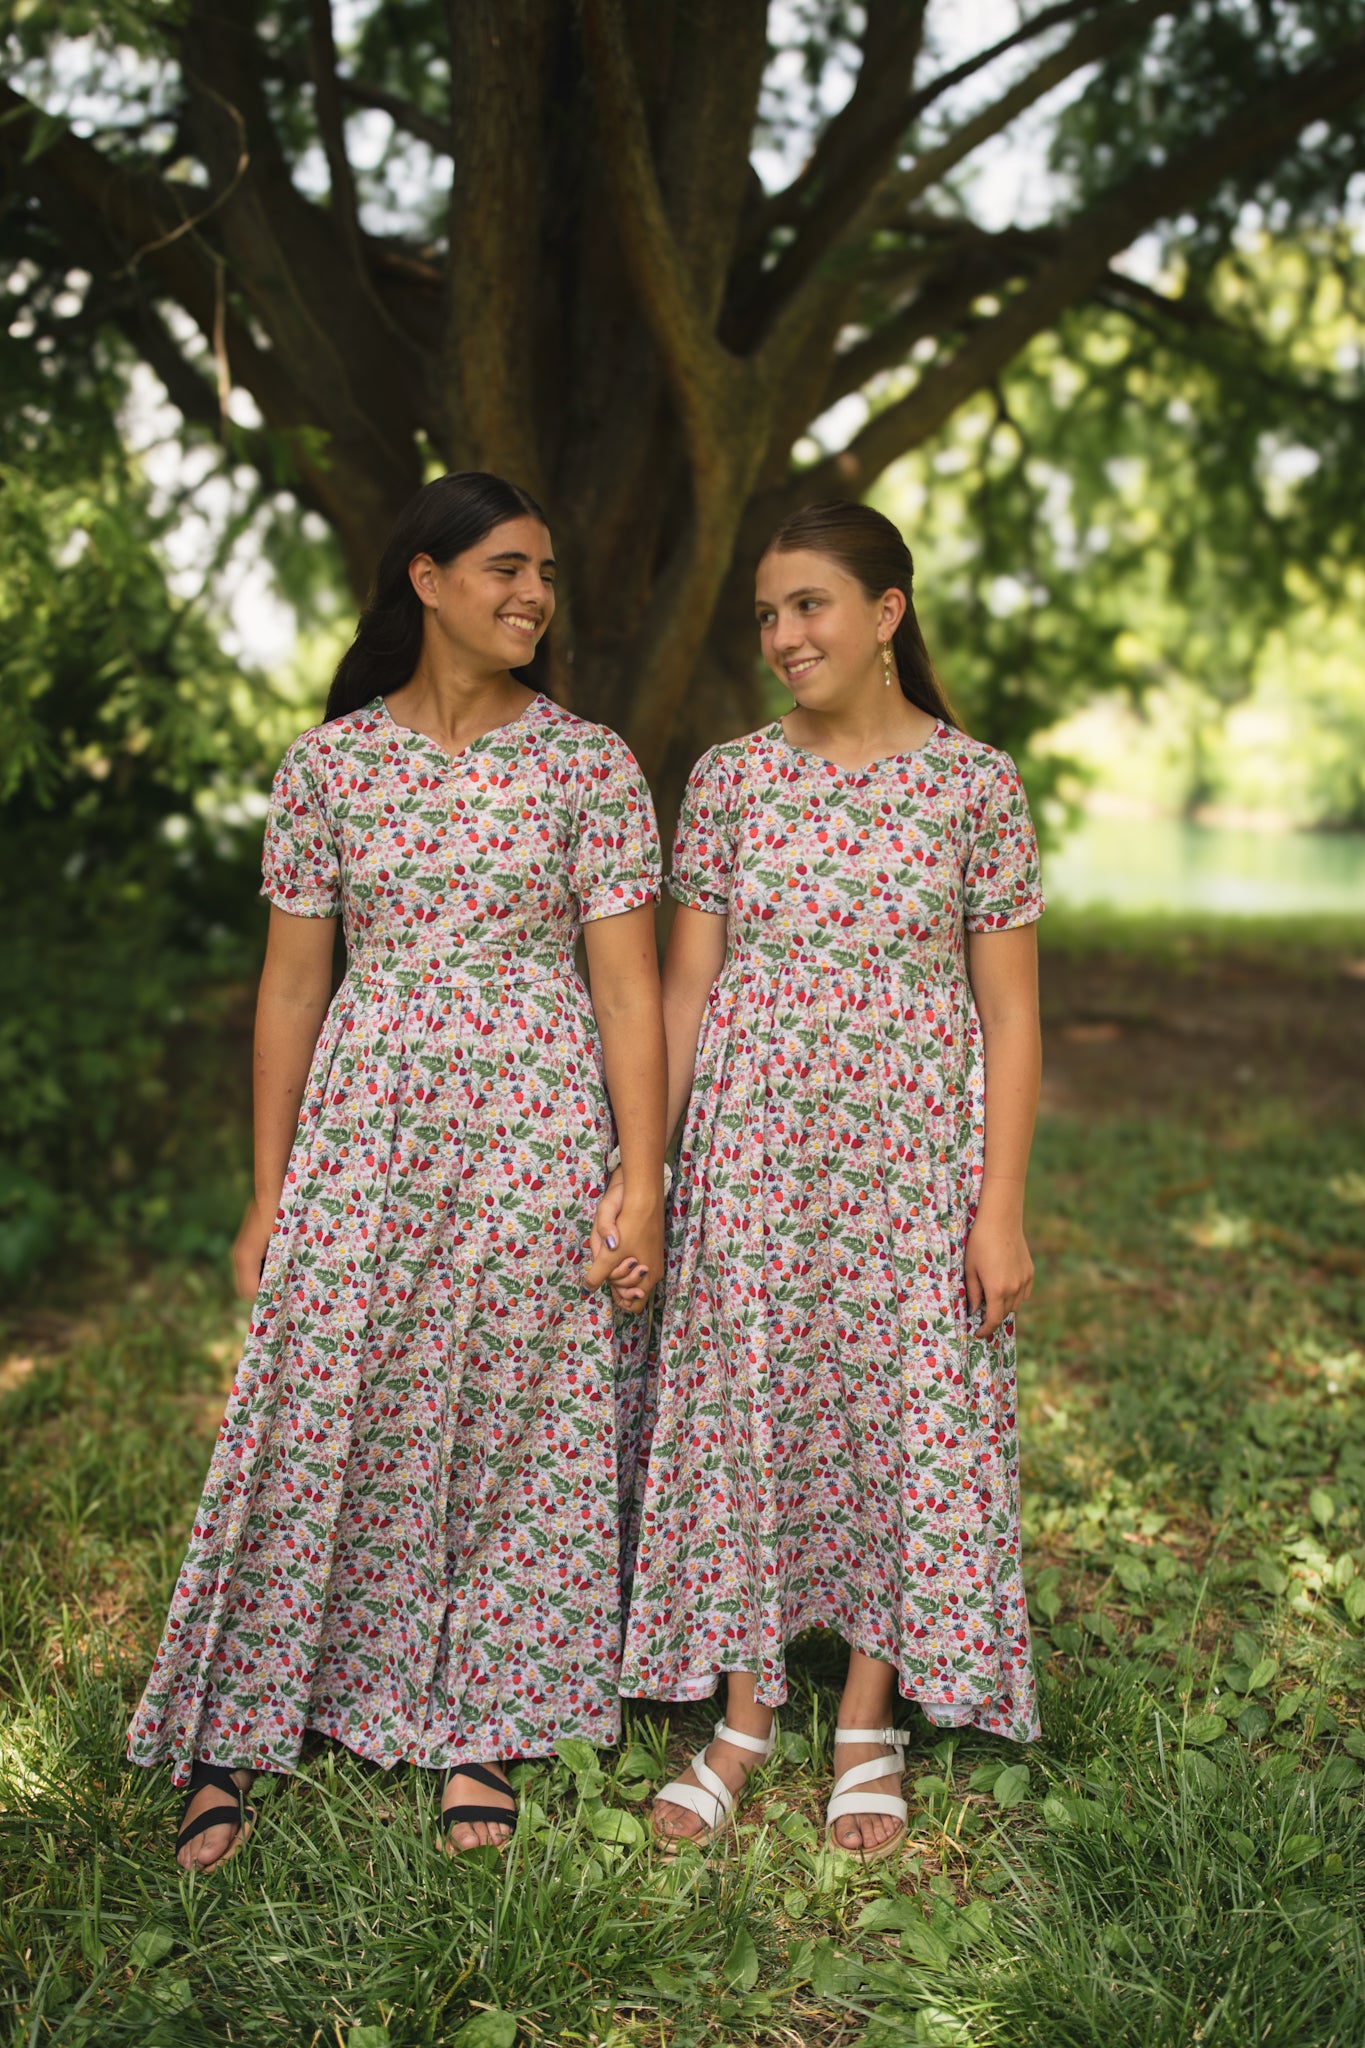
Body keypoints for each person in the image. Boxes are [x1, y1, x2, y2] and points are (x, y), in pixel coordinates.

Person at [128, 472, 667, 1868]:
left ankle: (480, 1721)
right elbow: (291, 993)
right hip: (367, 1126)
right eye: (503, 569)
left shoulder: (588, 765)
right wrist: (266, 1190)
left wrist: (640, 1172)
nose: (532, 597)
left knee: (507, 1411)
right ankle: (241, 1723)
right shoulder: (330, 768)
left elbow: (628, 994)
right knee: (308, 1414)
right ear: (425, 581)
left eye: (544, 573)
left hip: (537, 1122)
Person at [605, 500, 1043, 1858]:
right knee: (747, 1399)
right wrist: (654, 1171)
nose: (783, 635)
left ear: (885, 612)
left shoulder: (975, 788)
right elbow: (684, 988)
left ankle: (865, 1714)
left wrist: (1001, 1206)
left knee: (894, 1412)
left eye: (808, 606)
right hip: (755, 1155)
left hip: (912, 1162)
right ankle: (741, 1708)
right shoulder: (732, 780)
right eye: (767, 615)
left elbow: (1012, 1016)